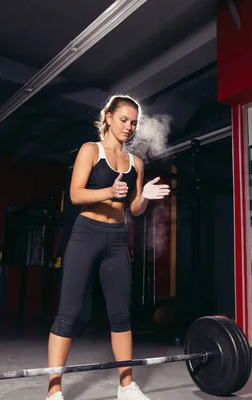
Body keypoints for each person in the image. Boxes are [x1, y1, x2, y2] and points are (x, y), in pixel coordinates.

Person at [46, 95, 170, 400]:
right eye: (124, 119)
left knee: (121, 314)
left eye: (134, 122)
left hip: (116, 239)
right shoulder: (91, 150)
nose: (129, 127)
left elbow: (135, 209)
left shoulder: (136, 163)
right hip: (86, 233)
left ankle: (126, 386)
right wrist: (108, 191)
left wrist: (146, 198)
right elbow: (75, 195)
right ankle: (53, 391)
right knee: (68, 313)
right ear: (109, 117)